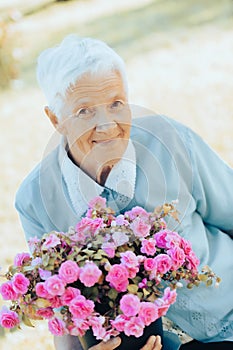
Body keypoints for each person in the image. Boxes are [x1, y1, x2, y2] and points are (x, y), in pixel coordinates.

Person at [15, 35, 233, 350]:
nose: (106, 125)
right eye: (84, 112)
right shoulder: (34, 200)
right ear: (56, 120)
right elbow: (62, 309)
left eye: (116, 104)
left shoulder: (171, 143)